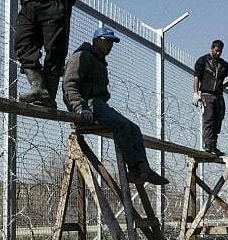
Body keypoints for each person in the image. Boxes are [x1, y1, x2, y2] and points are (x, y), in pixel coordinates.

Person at [62, 26, 168, 186]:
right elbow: (69, 84)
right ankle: (135, 168)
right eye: (107, 41)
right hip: (87, 105)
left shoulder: (98, 61)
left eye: (112, 42)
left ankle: (142, 168)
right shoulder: (82, 56)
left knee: (134, 128)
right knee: (121, 125)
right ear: (96, 40)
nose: (110, 45)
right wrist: (80, 108)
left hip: (98, 104)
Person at [192, 40, 228, 155]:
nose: (218, 53)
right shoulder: (203, 61)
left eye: (220, 51)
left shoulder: (223, 64)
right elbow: (196, 77)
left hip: (218, 95)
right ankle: (208, 145)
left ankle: (213, 145)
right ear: (211, 48)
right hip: (207, 95)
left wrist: (224, 86)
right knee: (209, 119)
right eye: (216, 50)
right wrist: (196, 93)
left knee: (218, 119)